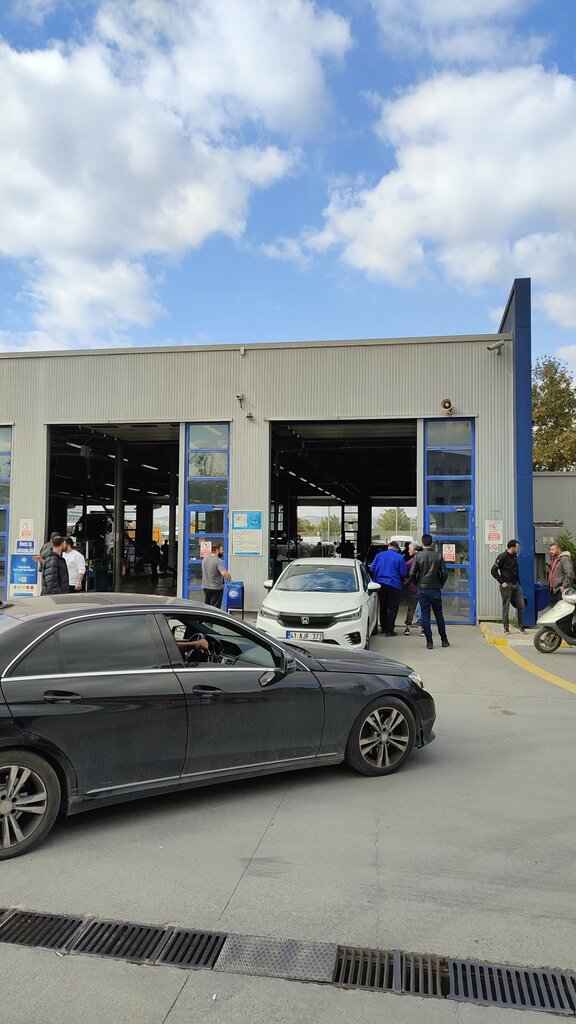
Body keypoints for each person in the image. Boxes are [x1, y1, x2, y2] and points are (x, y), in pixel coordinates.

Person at [409, 534, 449, 650]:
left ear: (422, 543)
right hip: (435, 588)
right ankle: (444, 640)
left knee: (425, 615)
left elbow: (412, 573)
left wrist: (417, 584)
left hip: (422, 588)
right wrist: (440, 584)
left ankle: (429, 642)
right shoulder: (438, 556)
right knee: (439, 615)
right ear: (432, 544)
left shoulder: (418, 556)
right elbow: (445, 573)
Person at [370, 541, 408, 636]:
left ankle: (383, 628)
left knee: (383, 606)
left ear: (388, 547)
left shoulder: (379, 555)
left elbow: (372, 569)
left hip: (380, 584)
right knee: (393, 608)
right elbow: (403, 573)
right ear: (397, 548)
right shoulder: (399, 557)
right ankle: (389, 630)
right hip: (394, 585)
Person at [490, 539, 526, 633]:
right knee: (506, 608)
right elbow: (493, 570)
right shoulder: (502, 557)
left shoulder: (515, 556)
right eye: (517, 548)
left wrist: (519, 583)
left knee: (521, 605)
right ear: (512, 548)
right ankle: (506, 628)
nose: (518, 549)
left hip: (516, 585)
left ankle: (521, 626)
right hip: (506, 585)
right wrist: (501, 582)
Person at [403, 543, 421, 634]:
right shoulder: (426, 560)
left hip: (413, 587)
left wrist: (406, 579)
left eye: (410, 549)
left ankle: (407, 627)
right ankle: (424, 629)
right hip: (424, 588)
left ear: (415, 550)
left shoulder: (411, 561)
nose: (408, 551)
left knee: (411, 608)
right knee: (423, 608)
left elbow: (404, 570)